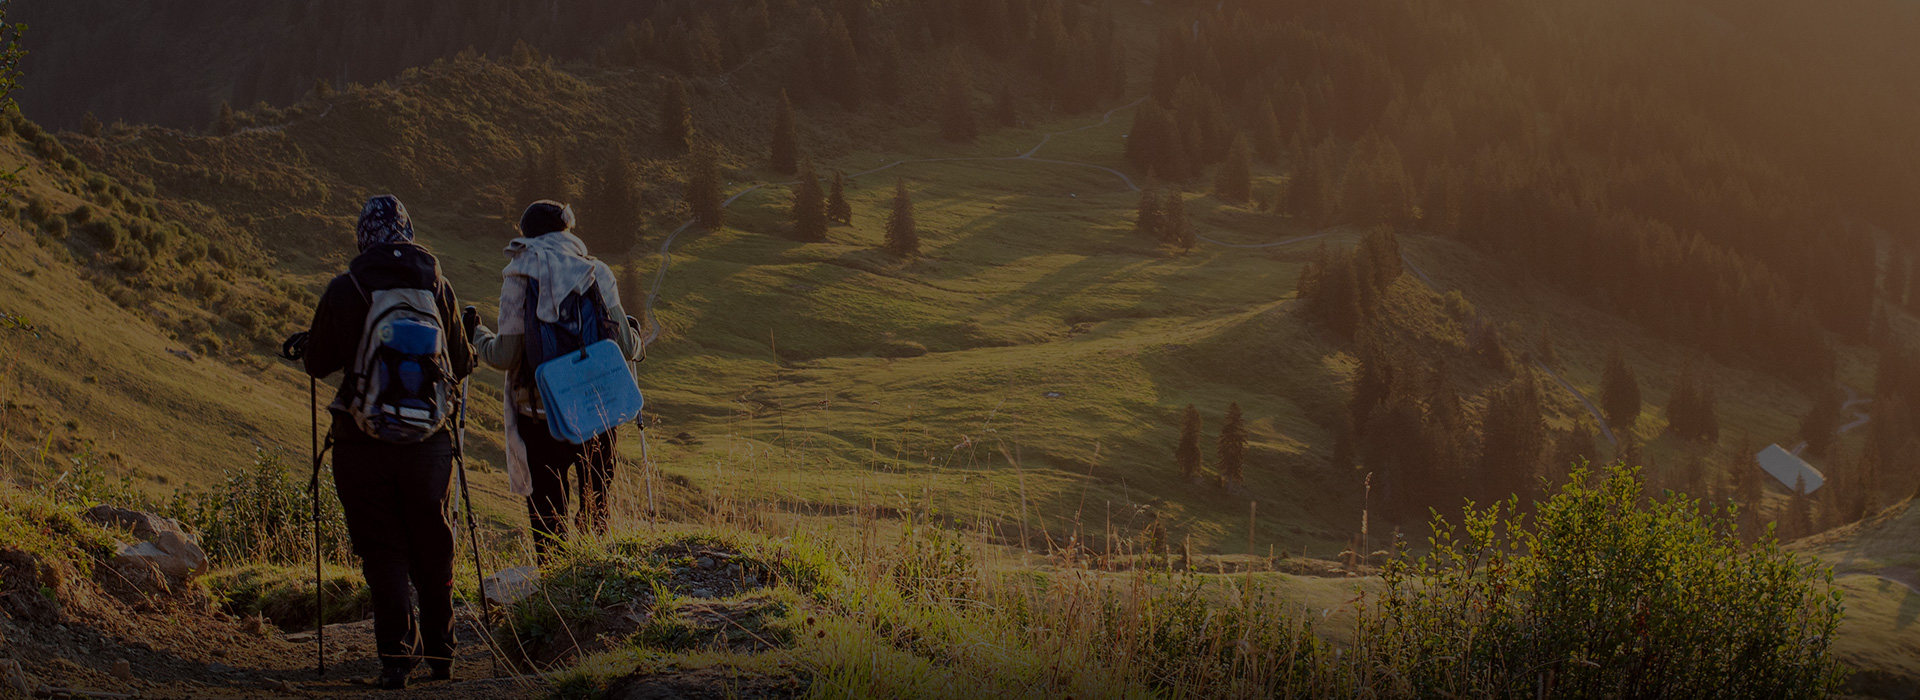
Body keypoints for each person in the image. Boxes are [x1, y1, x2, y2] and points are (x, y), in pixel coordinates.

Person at [302, 195, 473, 690]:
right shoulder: (438, 286)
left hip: (361, 443)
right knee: (433, 543)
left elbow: (317, 363)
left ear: (363, 237)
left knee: (382, 549)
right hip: (430, 444)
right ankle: (444, 654)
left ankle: (397, 660)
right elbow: (460, 364)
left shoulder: (346, 287)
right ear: (408, 232)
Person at [470, 200, 643, 561]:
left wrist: (477, 336)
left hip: (540, 414)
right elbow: (624, 347)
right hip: (597, 412)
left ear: (527, 235)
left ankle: (555, 595)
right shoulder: (597, 271)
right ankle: (597, 592)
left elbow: (505, 356)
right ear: (567, 231)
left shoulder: (518, 275)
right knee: (597, 511)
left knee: (549, 521)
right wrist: (637, 340)